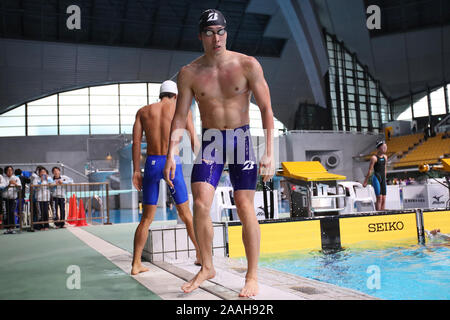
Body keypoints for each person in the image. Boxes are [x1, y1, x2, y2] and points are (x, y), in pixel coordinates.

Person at [164, 9, 275, 297]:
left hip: (241, 139)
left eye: (221, 31)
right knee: (200, 203)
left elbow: (266, 109)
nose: (217, 38)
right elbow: (179, 118)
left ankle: (252, 276)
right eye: (210, 32)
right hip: (212, 142)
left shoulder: (248, 65)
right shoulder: (188, 73)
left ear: (227, 33)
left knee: (244, 204)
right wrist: (170, 155)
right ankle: (207, 266)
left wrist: (269, 153)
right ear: (201, 36)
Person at [130, 80, 201, 276]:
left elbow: (136, 143)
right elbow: (194, 140)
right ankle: (200, 255)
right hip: (173, 164)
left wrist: (136, 170)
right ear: (175, 95)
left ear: (160, 95)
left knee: (146, 219)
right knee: (186, 216)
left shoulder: (143, 112)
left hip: (152, 164)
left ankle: (136, 263)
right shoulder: (182, 110)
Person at [363, 140, 387, 210]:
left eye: (386, 147)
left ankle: (383, 214)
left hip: (383, 179)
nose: (385, 148)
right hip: (376, 178)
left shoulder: (385, 157)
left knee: (384, 198)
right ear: (379, 148)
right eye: (384, 147)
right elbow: (370, 170)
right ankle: (378, 214)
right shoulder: (374, 158)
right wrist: (365, 181)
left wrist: (385, 178)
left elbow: (385, 168)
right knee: (379, 198)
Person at [1, 166, 22, 234]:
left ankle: (12, 228)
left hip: (13, 199)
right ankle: (7, 228)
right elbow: (2, 188)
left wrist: (15, 184)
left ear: (13, 171)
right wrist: (9, 184)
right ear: (5, 172)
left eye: (11, 170)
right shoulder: (3, 178)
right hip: (5, 198)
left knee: (12, 212)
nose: (9, 172)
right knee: (6, 213)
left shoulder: (16, 178)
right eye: (8, 170)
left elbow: (20, 188)